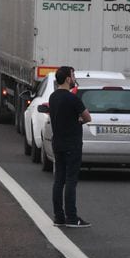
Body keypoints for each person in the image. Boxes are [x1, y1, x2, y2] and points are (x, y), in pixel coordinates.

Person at [48, 65, 92, 228]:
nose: (74, 79)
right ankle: (72, 218)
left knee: (58, 180)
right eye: (73, 76)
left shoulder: (53, 97)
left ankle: (58, 217)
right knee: (71, 180)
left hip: (57, 142)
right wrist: (79, 120)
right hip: (72, 144)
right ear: (67, 78)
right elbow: (87, 117)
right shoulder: (72, 98)